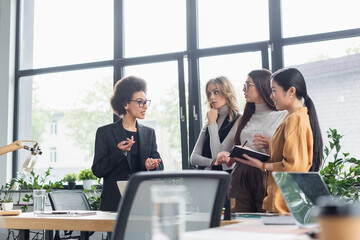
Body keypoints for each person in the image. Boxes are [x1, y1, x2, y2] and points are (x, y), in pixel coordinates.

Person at [218, 68, 323, 213]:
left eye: (274, 90)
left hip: (282, 201)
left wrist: (261, 165)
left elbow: (293, 166)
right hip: (276, 196)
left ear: (291, 92)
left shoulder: (295, 119)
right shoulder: (293, 117)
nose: (271, 96)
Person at [216, 69, 287, 212]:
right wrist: (229, 155)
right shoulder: (243, 119)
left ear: (262, 85)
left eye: (248, 85)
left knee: (265, 222)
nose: (243, 89)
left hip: (266, 175)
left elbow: (288, 151)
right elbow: (232, 147)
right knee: (238, 222)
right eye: (244, 85)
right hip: (240, 175)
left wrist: (270, 144)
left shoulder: (283, 115)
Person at [92, 76, 164, 211]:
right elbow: (97, 170)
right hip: (114, 204)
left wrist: (153, 166)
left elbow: (159, 164)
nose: (145, 107)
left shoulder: (149, 133)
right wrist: (119, 153)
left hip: (143, 203)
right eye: (139, 102)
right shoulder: (105, 132)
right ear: (125, 104)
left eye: (145, 102)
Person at [190, 76, 240, 171]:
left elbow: (217, 155)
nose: (211, 97)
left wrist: (213, 124)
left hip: (223, 179)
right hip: (203, 178)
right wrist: (211, 162)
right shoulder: (210, 119)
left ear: (227, 92)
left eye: (216, 92)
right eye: (209, 94)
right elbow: (193, 158)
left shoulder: (238, 120)